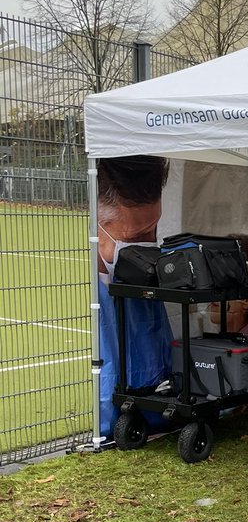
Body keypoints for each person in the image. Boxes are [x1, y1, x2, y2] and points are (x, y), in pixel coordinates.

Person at [96, 155, 172, 439]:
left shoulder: (146, 279)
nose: (149, 244)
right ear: (97, 228)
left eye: (154, 231)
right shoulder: (87, 294)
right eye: (137, 236)